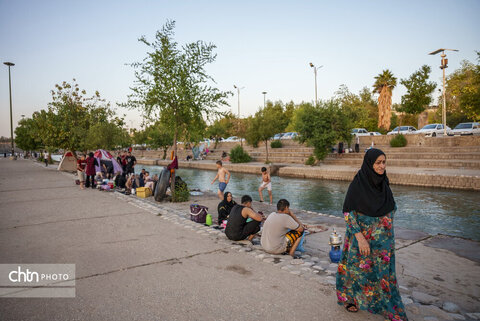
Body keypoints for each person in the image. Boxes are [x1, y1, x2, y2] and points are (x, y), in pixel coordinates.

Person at [336, 148, 408, 320]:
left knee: (383, 275)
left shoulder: (384, 184)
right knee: (354, 271)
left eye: (384, 162)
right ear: (369, 163)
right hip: (360, 238)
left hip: (383, 242)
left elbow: (391, 207)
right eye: (378, 162)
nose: (382, 166)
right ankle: (350, 299)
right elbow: (348, 212)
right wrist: (360, 238)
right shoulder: (358, 184)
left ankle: (389, 308)